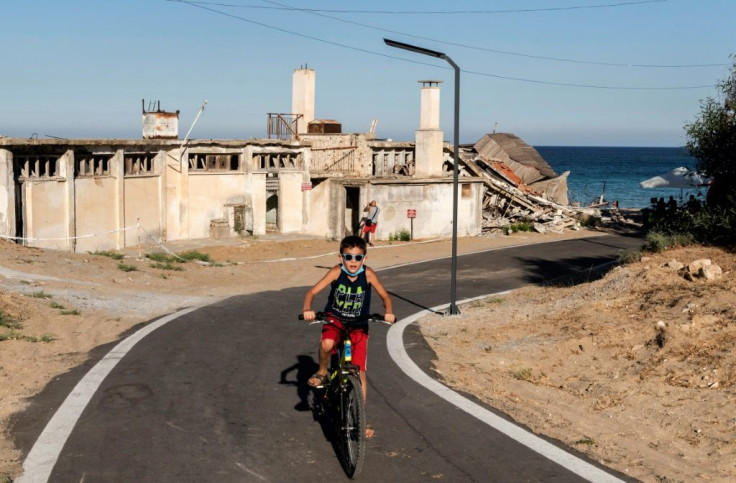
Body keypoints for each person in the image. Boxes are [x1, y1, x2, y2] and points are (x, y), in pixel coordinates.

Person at [302, 235, 395, 436]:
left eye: (358, 258)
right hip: (335, 320)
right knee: (327, 344)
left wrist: (388, 310)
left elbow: (385, 296)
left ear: (365, 259)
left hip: (358, 326)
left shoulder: (368, 275)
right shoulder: (336, 272)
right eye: (348, 257)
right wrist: (308, 308)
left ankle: (360, 419)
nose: (353, 262)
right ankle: (321, 371)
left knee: (359, 371)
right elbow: (312, 292)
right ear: (340, 257)